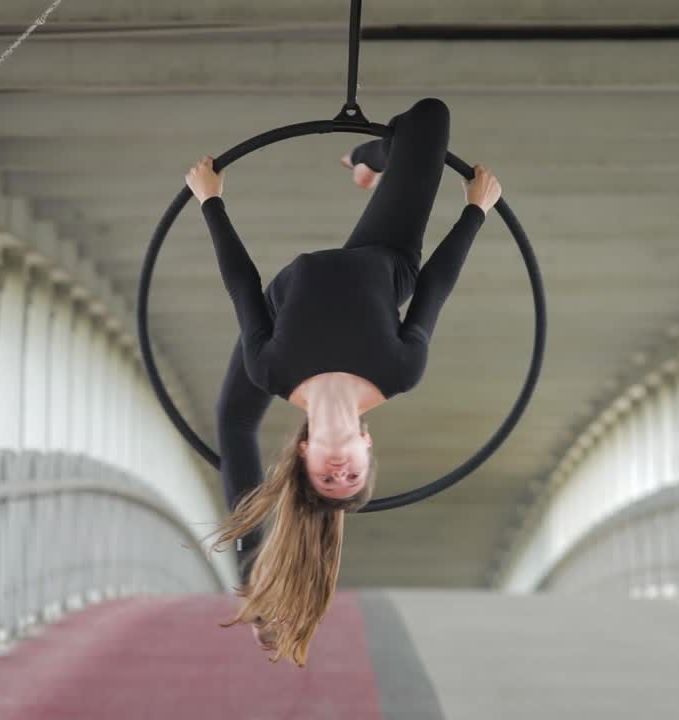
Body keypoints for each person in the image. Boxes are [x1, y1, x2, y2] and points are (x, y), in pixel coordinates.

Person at [186, 98, 502, 666]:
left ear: (304, 451)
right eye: (352, 475)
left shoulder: (273, 371)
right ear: (366, 442)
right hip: (385, 261)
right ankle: (370, 157)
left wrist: (210, 200)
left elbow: (242, 285)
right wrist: (475, 213)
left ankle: (257, 579)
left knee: (233, 421)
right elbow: (434, 289)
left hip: (284, 301)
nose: (341, 472)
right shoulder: (398, 373)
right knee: (430, 118)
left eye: (327, 479)